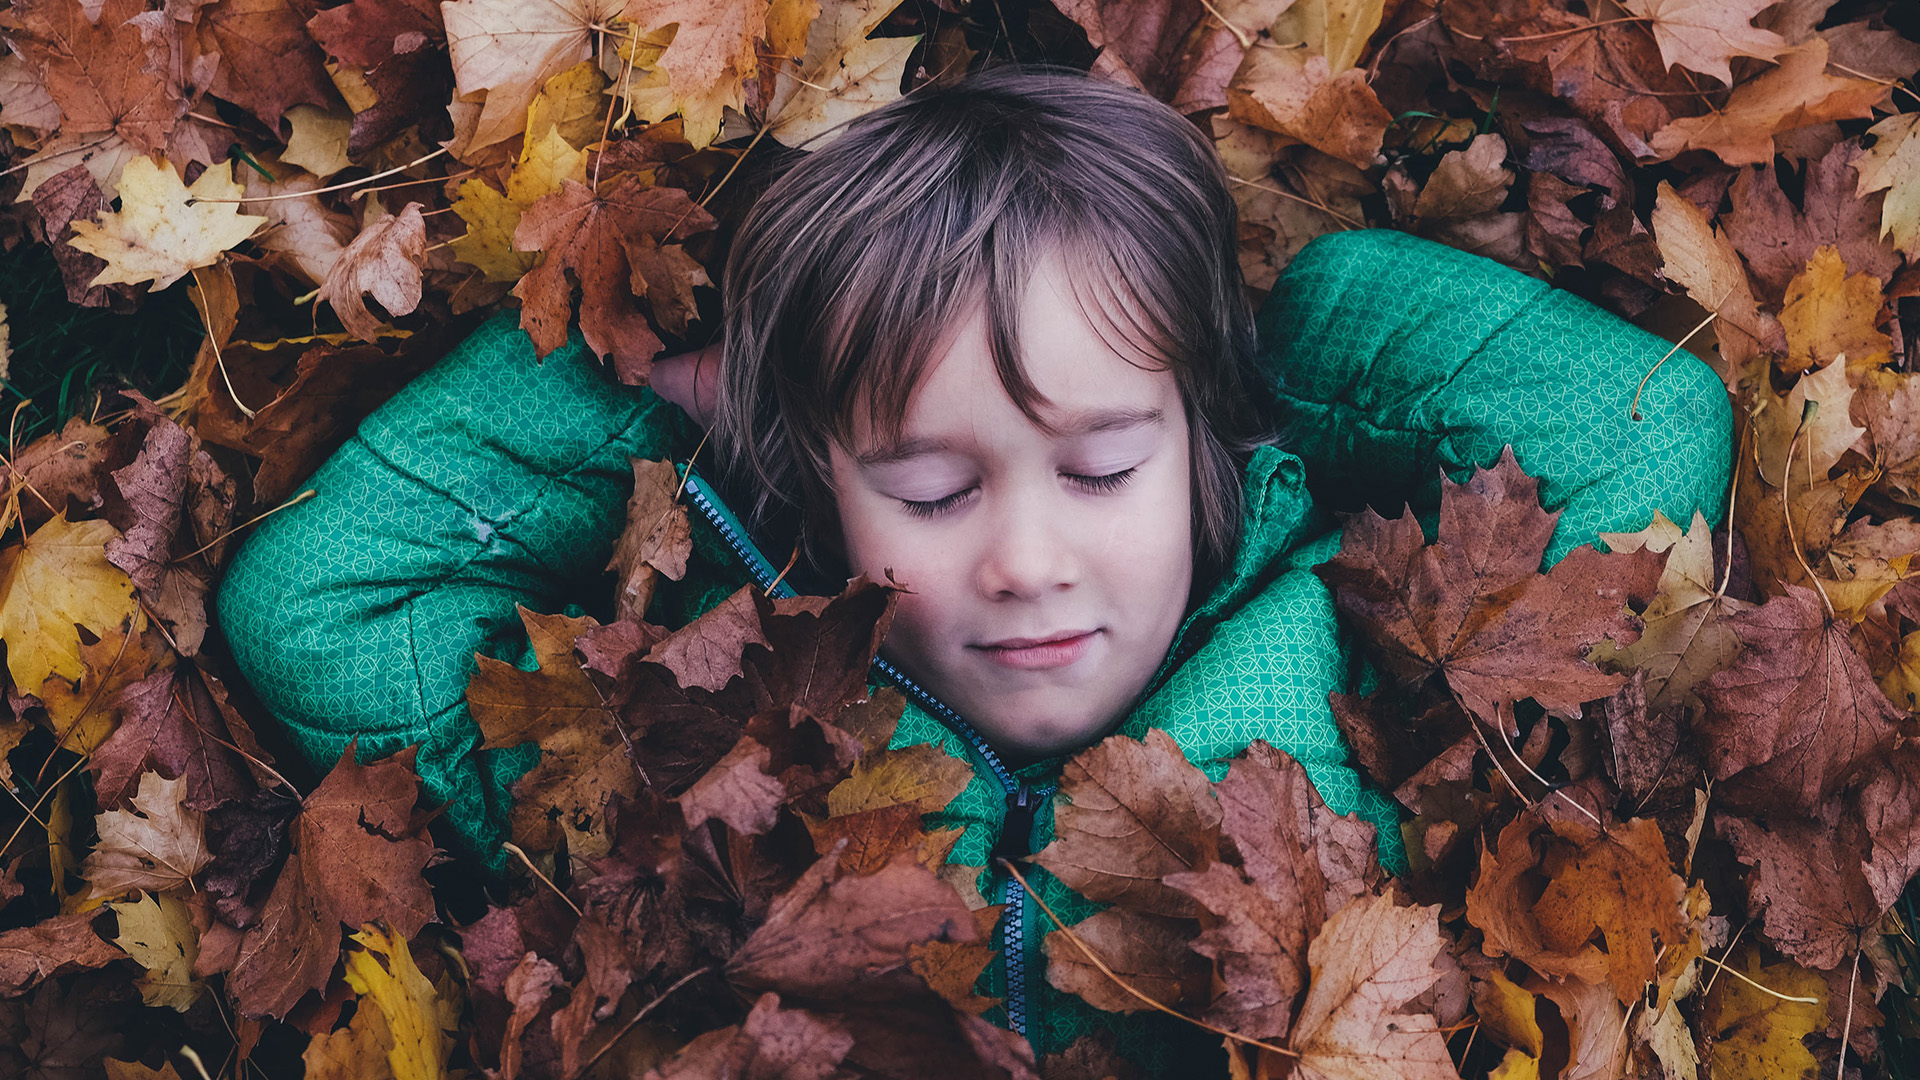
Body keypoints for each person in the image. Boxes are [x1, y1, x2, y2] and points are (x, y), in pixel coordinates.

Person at [216, 64, 1731, 1066]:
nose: (1027, 558)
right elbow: (318, 601)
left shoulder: (1365, 666)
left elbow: (1643, 427)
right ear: (822, 489)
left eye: (1101, 467)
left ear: (1198, 437)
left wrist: (1283, 343)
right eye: (932, 488)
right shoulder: (696, 745)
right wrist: (654, 384)